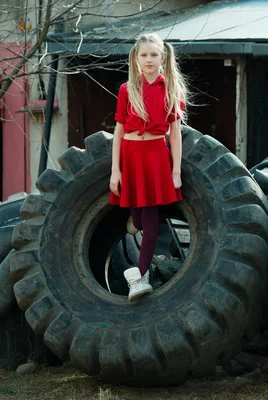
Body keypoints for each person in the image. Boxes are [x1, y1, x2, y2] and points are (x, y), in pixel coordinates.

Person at [109, 33, 188, 302]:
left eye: (154, 55)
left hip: (156, 154)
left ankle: (139, 278)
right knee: (139, 220)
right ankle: (135, 222)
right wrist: (115, 171)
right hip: (130, 155)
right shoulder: (126, 89)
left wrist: (175, 171)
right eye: (144, 55)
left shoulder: (172, 89)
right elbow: (118, 132)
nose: (149, 59)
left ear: (162, 57)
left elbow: (175, 135)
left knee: (151, 221)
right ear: (136, 58)